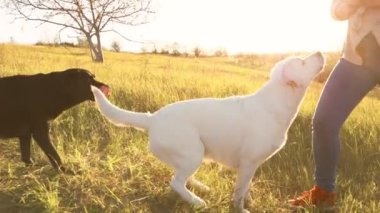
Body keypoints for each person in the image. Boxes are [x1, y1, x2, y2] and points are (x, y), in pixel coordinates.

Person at [288, 0, 380, 208]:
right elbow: (336, 8)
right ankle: (324, 192)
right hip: (356, 57)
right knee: (324, 122)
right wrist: (343, 7)